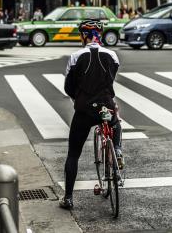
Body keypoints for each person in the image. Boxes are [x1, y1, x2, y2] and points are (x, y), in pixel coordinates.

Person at [60, 20, 123, 210]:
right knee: (115, 120)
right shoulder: (112, 56)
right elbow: (110, 79)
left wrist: (78, 98)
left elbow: (68, 87)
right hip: (105, 105)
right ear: (100, 35)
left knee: (73, 153)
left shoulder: (75, 57)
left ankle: (68, 198)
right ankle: (117, 149)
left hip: (85, 109)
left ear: (84, 36)